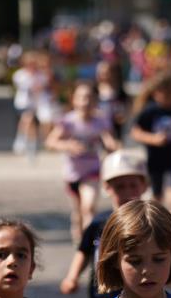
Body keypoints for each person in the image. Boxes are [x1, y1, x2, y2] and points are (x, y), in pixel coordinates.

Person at [60, 150, 148, 298]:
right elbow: (83, 251)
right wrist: (72, 277)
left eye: (133, 185)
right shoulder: (99, 223)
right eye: (120, 187)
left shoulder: (150, 222)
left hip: (141, 295)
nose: (128, 193)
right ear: (107, 187)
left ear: (144, 185)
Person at [45, 80, 119, 242]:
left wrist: (112, 146)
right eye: (81, 97)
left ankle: (89, 243)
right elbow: (50, 142)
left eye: (89, 98)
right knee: (78, 211)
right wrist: (67, 145)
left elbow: (109, 139)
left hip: (92, 170)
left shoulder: (100, 121)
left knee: (89, 207)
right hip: (72, 173)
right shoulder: (68, 121)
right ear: (74, 100)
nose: (85, 102)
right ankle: (79, 240)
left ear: (95, 101)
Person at [130, 72, 171, 232]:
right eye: (167, 93)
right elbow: (136, 133)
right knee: (156, 200)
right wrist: (154, 139)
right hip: (155, 160)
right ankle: (154, 232)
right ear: (156, 93)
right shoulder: (150, 111)